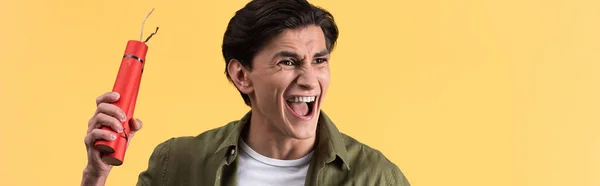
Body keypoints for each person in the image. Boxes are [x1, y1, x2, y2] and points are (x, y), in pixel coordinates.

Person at [82, 0, 411, 185]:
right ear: (241, 75)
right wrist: (96, 175)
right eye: (288, 61)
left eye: (319, 60)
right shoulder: (179, 164)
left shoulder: (375, 177)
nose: (310, 80)